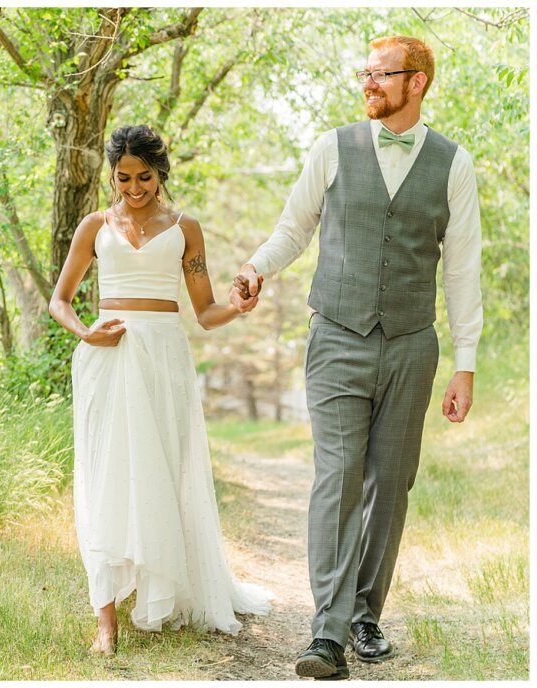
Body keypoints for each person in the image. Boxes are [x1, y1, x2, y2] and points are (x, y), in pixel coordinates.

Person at [232, 36, 482, 680]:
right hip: (338, 337)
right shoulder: (332, 148)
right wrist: (258, 268)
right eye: (364, 74)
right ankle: (328, 633)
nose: (368, 83)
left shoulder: (453, 164)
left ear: (417, 81)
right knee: (337, 477)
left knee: (390, 485)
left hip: (411, 344)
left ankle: (365, 614)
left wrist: (466, 362)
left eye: (381, 75)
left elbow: (461, 270)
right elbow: (294, 227)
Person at [49, 124, 273, 656]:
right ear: (113, 175)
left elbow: (206, 311)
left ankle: (161, 591)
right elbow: (60, 300)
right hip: (106, 356)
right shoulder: (94, 226)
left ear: (160, 173)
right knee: (105, 476)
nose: (133, 188)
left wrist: (240, 307)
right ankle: (105, 618)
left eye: (144, 177)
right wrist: (85, 332)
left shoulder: (184, 228)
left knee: (161, 470)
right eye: (123, 177)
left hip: (164, 357)